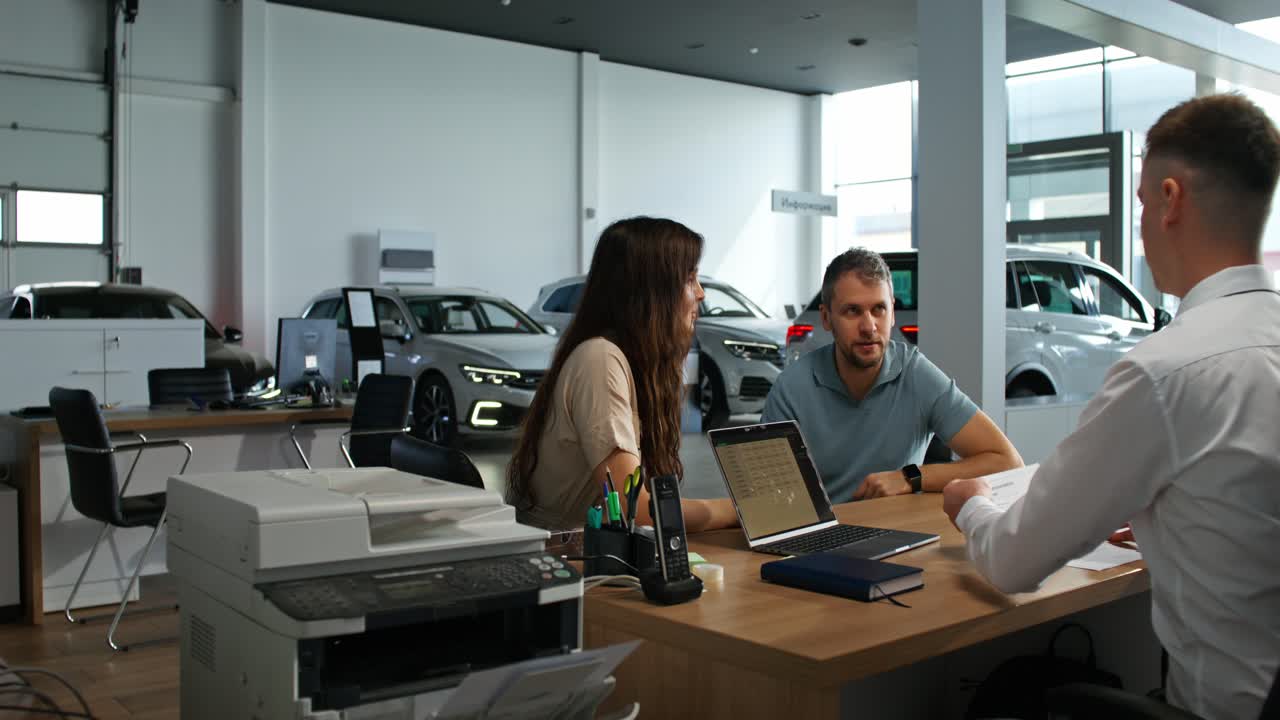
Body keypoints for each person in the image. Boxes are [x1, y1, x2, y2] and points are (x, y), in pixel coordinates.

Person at [943, 94, 1280, 720]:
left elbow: (1014, 562)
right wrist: (1173, 522)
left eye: (1145, 203)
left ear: (1173, 200)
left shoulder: (1166, 371)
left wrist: (973, 507)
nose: (1145, 223)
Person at [506, 216, 738, 533]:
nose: (700, 294)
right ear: (652, 292)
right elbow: (636, 508)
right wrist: (735, 509)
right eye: (689, 279)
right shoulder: (599, 359)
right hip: (577, 567)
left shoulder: (628, 360)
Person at [761, 248, 1022, 503]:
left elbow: (1008, 462)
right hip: (823, 537)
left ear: (892, 313)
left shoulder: (916, 374)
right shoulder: (791, 389)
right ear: (827, 318)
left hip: (900, 535)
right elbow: (766, 497)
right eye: (852, 311)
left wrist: (911, 477)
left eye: (879, 309)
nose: (869, 327)